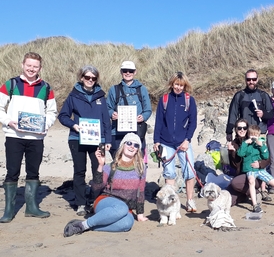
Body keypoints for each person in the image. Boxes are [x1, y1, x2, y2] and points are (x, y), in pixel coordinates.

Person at [0, 52, 57, 223]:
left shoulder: (46, 88)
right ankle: (9, 210)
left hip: (36, 138)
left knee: (33, 172)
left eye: (35, 66)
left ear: (40, 68)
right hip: (14, 136)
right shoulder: (11, 84)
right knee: (12, 172)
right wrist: (9, 122)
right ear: (22, 65)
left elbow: (52, 112)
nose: (31, 69)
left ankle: (32, 208)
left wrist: (45, 126)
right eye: (29, 65)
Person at [63, 133, 148, 237]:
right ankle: (83, 225)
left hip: (125, 206)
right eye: (129, 143)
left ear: (138, 150)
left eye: (136, 145)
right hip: (105, 201)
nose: (132, 146)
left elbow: (141, 191)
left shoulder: (141, 169)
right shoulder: (110, 166)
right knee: (121, 208)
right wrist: (100, 165)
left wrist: (140, 214)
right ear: (122, 146)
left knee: (127, 223)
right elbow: (95, 188)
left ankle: (87, 226)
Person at [58, 65, 112, 216]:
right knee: (79, 171)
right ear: (81, 78)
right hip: (77, 139)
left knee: (98, 171)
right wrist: (73, 125)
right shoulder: (73, 96)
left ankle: (96, 200)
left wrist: (107, 139)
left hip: (98, 140)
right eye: (87, 77)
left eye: (93, 78)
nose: (90, 80)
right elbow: (63, 116)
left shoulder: (101, 96)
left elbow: (106, 120)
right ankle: (81, 203)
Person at [153, 72, 198, 212]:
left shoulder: (189, 100)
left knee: (189, 172)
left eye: (181, 85)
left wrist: (187, 140)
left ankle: (190, 200)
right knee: (169, 173)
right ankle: (171, 204)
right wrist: (156, 141)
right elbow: (159, 122)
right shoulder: (164, 100)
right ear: (172, 84)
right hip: (166, 143)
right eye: (176, 84)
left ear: (185, 86)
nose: (178, 87)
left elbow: (193, 122)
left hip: (183, 143)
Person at [107, 61, 152, 158]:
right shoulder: (113, 89)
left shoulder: (142, 89)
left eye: (130, 71)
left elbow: (148, 109)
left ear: (135, 72)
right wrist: (112, 114)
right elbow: (107, 108)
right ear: (121, 72)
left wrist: (143, 117)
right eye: (125, 71)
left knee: (137, 162)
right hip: (117, 132)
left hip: (136, 132)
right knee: (117, 161)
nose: (128, 73)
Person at [227, 119, 270, 206]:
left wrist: (260, 164)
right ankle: (246, 195)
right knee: (228, 200)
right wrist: (232, 153)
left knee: (234, 183)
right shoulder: (233, 143)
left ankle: (256, 192)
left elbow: (268, 158)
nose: (242, 130)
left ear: (247, 129)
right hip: (241, 176)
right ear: (236, 129)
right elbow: (235, 165)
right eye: (239, 128)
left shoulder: (253, 139)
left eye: (244, 127)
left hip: (254, 174)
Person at [225, 69, 274, 141]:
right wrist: (229, 132)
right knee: (242, 152)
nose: (251, 82)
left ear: (257, 80)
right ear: (245, 80)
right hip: (243, 133)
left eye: (253, 79)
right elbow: (233, 114)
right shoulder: (239, 95)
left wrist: (263, 114)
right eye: (248, 79)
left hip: (260, 133)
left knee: (260, 152)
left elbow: (272, 113)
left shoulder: (263, 95)